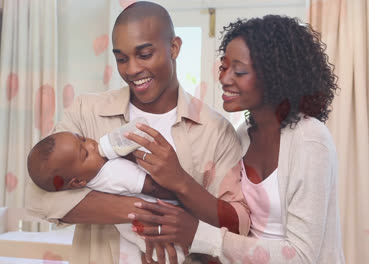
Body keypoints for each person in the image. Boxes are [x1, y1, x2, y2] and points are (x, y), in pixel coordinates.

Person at [25, 2, 250, 264]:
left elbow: (239, 223)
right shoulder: (86, 112)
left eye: (144, 54)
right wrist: (139, 211)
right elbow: (38, 196)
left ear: (174, 47)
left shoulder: (215, 130)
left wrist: (182, 198)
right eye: (121, 59)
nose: (131, 69)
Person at [128, 15, 346, 263]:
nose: (224, 78)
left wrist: (199, 234)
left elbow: (301, 256)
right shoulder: (242, 135)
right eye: (224, 67)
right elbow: (236, 221)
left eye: (239, 71)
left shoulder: (309, 139)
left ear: (276, 75)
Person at [27, 131, 185, 263]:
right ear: (78, 182)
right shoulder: (113, 172)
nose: (91, 144)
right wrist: (182, 194)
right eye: (86, 154)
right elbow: (153, 187)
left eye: (82, 138)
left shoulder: (90, 181)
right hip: (166, 225)